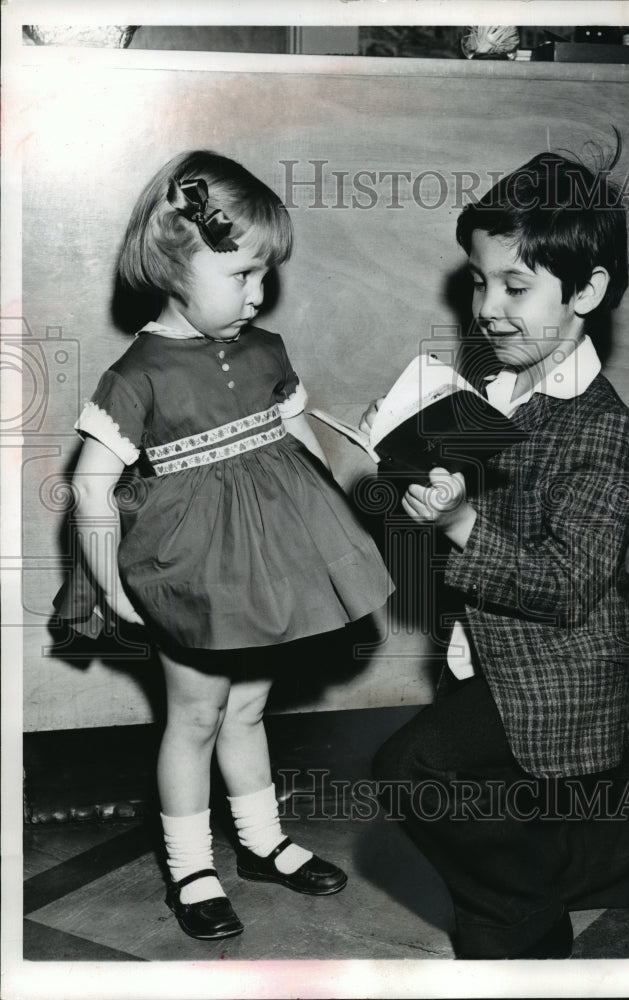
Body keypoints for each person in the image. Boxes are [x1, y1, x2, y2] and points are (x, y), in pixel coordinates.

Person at [364, 139, 629, 959]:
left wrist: (459, 526)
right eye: (480, 282)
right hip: (481, 652)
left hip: (557, 670)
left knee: (415, 774)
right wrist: (403, 476)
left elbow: (567, 583)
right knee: (497, 907)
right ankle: (538, 948)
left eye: (516, 285)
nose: (488, 306)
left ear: (587, 290)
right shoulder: (485, 387)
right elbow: (430, 521)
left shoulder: (605, 427)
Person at [57, 150, 393, 941]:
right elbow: (90, 484)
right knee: (196, 716)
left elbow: (299, 437)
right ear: (173, 264)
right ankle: (188, 865)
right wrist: (110, 588)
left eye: (264, 275)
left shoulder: (265, 349)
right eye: (241, 274)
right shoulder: (137, 373)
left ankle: (261, 840)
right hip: (189, 574)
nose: (259, 293)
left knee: (249, 706)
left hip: (264, 565)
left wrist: (354, 491)